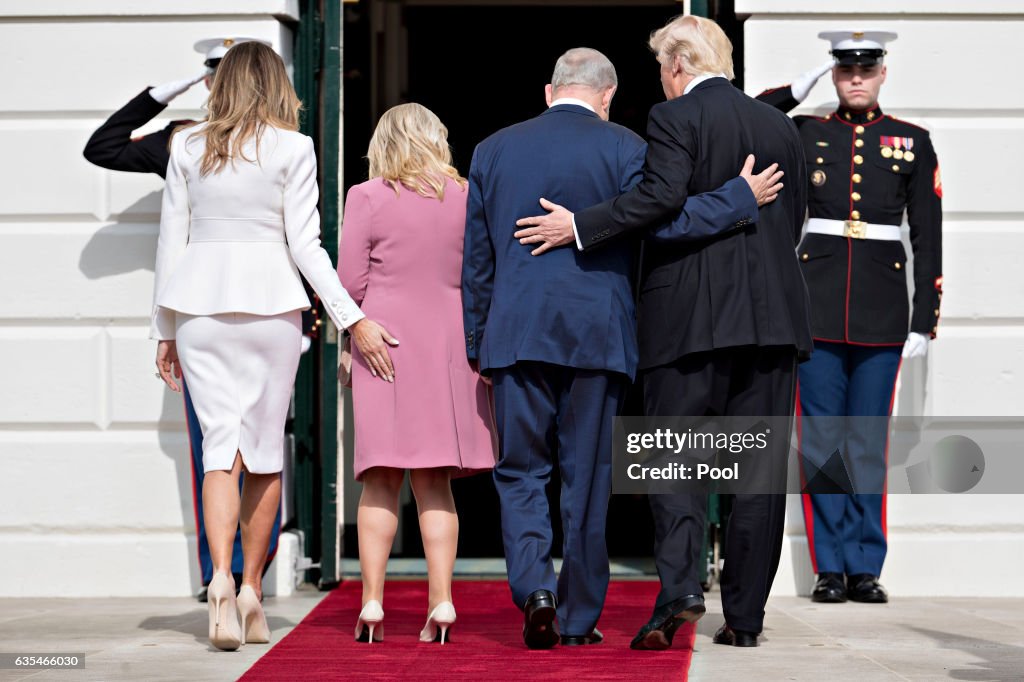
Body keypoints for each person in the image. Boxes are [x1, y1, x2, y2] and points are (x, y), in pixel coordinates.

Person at [466, 46, 787, 650]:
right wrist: (738, 199)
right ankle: (580, 619)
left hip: (516, 334)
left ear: (548, 90)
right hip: (597, 336)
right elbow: (664, 220)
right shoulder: (625, 147)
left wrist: (478, 342)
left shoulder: (492, 149)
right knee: (586, 480)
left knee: (520, 472)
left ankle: (534, 588)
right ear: (608, 96)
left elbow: (477, 257)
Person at [150, 41, 375, 651]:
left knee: (218, 448)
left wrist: (163, 331)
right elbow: (308, 246)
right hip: (272, 305)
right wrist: (351, 318)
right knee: (264, 449)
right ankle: (252, 588)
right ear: (277, 83)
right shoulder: (293, 147)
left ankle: (219, 582)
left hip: (198, 307)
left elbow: (171, 243)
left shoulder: (188, 146)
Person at [83, 36, 282, 603]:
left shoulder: (282, 141)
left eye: (223, 76)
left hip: (268, 308)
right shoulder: (182, 142)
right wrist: (172, 91)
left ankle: (252, 571)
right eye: (211, 77)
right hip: (203, 311)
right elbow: (104, 147)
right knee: (212, 444)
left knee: (265, 446)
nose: (220, 86)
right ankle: (223, 570)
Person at [755, 30, 943, 605]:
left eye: (866, 69)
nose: (855, 78)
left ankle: (865, 565)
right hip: (815, 310)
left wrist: (923, 317)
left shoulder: (911, 142)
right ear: (834, 76)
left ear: (883, 73)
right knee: (821, 445)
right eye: (844, 71)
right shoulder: (806, 131)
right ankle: (829, 568)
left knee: (866, 444)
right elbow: (756, 116)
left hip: (883, 316)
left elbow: (927, 233)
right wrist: (795, 88)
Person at [337, 103, 498, 646]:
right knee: (434, 483)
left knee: (380, 478)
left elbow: (348, 282)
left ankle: (373, 601)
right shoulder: (467, 196)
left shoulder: (367, 197)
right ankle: (443, 599)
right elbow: (482, 272)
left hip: (383, 343)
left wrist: (348, 338)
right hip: (448, 346)